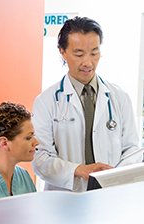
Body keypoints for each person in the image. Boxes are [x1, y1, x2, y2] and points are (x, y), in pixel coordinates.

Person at [32, 16, 142, 192]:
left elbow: (132, 150)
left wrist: (112, 177)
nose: (88, 63)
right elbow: (40, 159)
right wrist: (80, 170)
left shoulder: (119, 97)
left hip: (110, 196)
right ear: (62, 51)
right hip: (65, 199)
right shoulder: (46, 102)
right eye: (79, 54)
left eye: (94, 53)